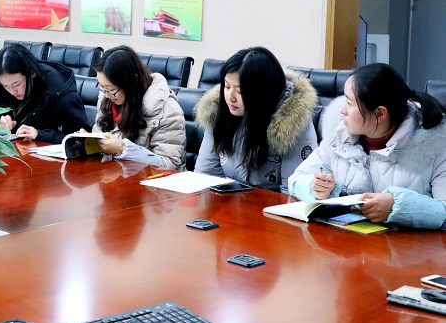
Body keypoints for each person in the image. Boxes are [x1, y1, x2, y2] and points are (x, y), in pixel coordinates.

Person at [289, 63, 446, 229]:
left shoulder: (436, 144)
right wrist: (314, 187)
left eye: (349, 103)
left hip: (412, 244)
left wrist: (398, 206)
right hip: (351, 241)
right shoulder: (339, 137)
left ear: (379, 113)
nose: (342, 110)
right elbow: (296, 179)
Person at [194, 47, 318, 192]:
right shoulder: (217, 110)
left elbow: (293, 191)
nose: (230, 97)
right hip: (230, 202)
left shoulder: (291, 122)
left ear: (261, 93)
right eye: (226, 86)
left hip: (273, 203)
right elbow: (205, 176)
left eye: (240, 91)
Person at [89, 46, 185, 170]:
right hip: (113, 175)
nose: (106, 94)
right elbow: (99, 136)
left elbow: (169, 165)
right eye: (101, 87)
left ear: (131, 82)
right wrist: (88, 143)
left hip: (150, 180)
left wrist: (122, 149)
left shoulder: (168, 112)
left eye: (111, 89)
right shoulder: (107, 99)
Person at [0, 44, 89, 143]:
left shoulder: (64, 96)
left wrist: (40, 135)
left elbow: (83, 140)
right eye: (5, 86)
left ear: (32, 73)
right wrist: (0, 125)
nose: (12, 91)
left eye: (16, 84)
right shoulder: (3, 91)